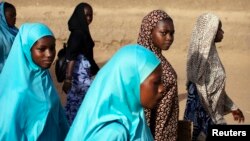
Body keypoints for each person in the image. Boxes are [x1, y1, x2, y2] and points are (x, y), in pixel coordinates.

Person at [65, 44, 164, 140]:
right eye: (156, 82)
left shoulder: (135, 119)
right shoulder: (113, 133)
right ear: (130, 82)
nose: (162, 89)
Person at [0, 23, 69, 140]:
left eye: (52, 48)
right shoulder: (18, 93)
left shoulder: (44, 78)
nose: (49, 54)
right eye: (42, 49)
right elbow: (8, 132)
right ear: (27, 50)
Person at [184, 13, 245, 140]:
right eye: (219, 29)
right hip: (206, 123)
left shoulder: (212, 57)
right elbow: (200, 96)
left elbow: (215, 90)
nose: (222, 32)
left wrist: (232, 107)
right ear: (210, 31)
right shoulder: (200, 64)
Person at [137, 10, 179, 141]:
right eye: (164, 33)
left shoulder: (156, 59)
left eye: (172, 33)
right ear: (149, 32)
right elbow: (145, 113)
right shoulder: (147, 64)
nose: (169, 38)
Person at [62, 2, 99, 125]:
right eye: (86, 15)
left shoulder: (82, 31)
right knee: (78, 108)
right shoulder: (78, 34)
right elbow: (71, 57)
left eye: (91, 15)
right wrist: (68, 80)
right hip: (79, 80)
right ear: (79, 16)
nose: (89, 18)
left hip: (84, 76)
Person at [0, 1, 18, 73]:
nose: (14, 18)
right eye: (11, 15)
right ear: (2, 17)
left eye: (15, 15)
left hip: (14, 72)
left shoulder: (16, 32)